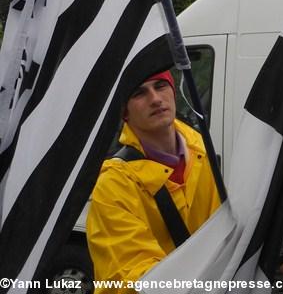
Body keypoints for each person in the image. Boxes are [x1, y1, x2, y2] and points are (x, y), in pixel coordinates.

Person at [86, 70, 221, 288]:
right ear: (124, 113)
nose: (156, 99)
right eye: (140, 93)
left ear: (173, 91)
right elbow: (134, 277)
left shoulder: (204, 151)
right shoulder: (112, 186)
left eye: (160, 86)